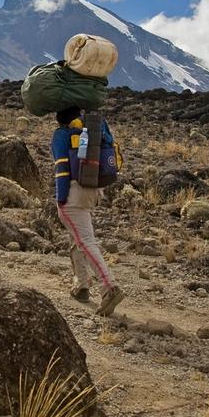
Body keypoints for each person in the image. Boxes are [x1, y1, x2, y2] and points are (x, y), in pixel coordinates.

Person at [52, 105, 124, 316]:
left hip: (73, 193)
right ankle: (81, 286)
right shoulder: (93, 130)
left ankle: (109, 288)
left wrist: (61, 198)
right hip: (93, 190)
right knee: (78, 236)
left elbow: (62, 168)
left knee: (85, 241)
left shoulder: (62, 135)